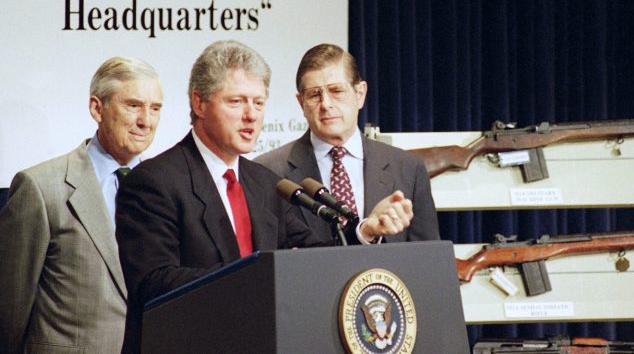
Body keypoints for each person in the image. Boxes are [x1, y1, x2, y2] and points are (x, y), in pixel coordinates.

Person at [115, 40, 412, 351]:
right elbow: (155, 283)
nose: (251, 116)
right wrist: (260, 276)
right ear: (199, 103)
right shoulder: (153, 182)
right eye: (237, 102)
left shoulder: (266, 183)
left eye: (259, 103)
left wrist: (365, 230)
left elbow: (313, 257)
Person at [0, 57, 163, 354]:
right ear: (97, 108)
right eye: (133, 105)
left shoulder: (166, 188)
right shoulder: (41, 187)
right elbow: (9, 313)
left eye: (155, 108)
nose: (146, 121)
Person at [255, 43, 439, 245]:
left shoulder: (408, 169)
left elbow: (426, 259)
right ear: (301, 103)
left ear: (360, 94)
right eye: (315, 95)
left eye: (336, 91)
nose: (326, 104)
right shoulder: (268, 172)